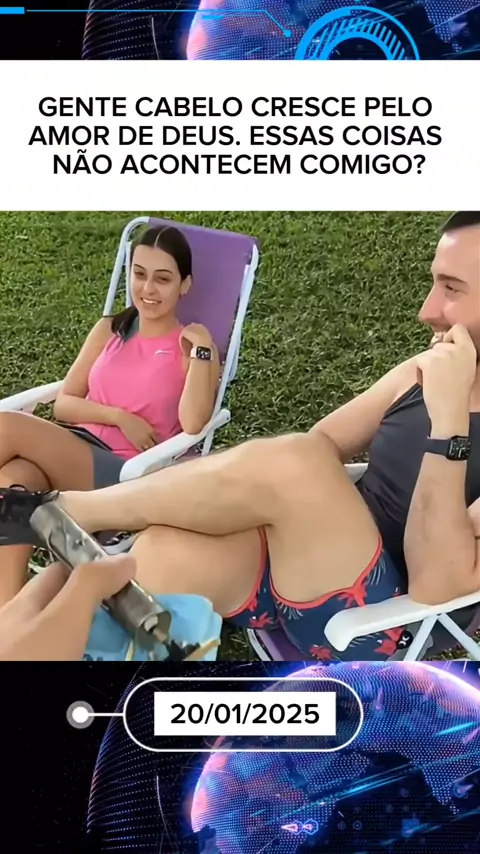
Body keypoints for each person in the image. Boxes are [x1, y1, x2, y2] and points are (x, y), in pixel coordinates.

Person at [2, 211, 480, 662]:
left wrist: (449, 425)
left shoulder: (445, 393)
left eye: (451, 289)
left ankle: (68, 509)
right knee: (158, 554)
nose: (427, 310)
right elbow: (319, 449)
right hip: (302, 563)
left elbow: (437, 585)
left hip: (383, 621)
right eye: (433, 283)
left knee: (298, 461)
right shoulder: (421, 371)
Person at [0, 223, 219, 605]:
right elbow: (65, 403)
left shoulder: (191, 347)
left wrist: (202, 349)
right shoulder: (110, 330)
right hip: (77, 450)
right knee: (13, 479)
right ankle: (8, 613)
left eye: (163, 279)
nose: (147, 288)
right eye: (139, 274)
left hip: (129, 474)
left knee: (7, 425)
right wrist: (119, 417)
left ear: (185, 284)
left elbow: (194, 423)